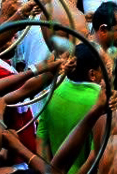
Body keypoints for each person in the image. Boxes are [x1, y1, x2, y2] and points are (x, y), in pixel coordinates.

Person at [37, 43, 102, 173]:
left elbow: (41, 140)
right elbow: (94, 157)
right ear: (92, 74)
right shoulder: (101, 102)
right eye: (105, 67)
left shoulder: (53, 90)